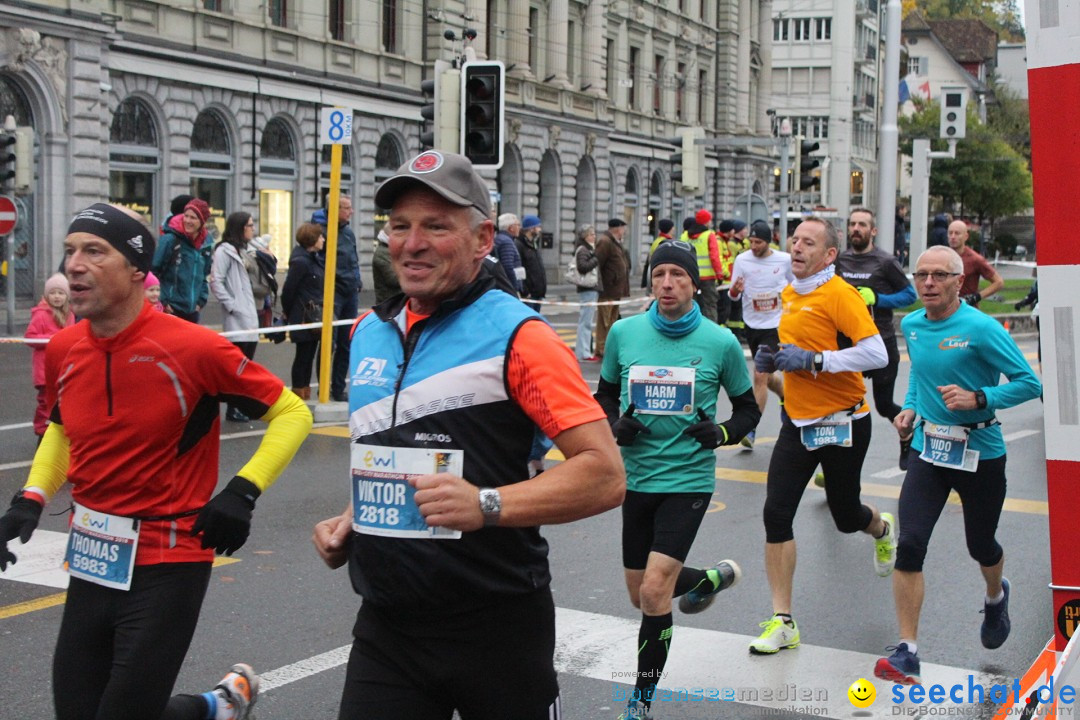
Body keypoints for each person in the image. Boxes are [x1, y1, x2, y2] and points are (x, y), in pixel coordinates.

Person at [311, 150, 625, 720]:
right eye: (400, 226)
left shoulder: (520, 335)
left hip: (497, 624)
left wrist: (486, 503)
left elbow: (603, 475)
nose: (412, 243)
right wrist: (360, 514)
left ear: (483, 238)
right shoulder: (368, 332)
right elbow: (405, 459)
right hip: (389, 628)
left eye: (435, 226)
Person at [0, 203, 312, 720]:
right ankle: (221, 705)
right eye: (71, 250)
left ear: (137, 271)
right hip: (93, 554)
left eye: (95, 252)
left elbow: (292, 411)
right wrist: (29, 499)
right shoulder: (64, 347)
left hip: (169, 560)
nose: (74, 264)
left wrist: (243, 490)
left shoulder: (191, 348)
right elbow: (61, 425)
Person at [595, 240, 759, 720]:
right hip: (636, 478)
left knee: (653, 592)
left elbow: (748, 408)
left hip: (688, 481)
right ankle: (708, 578)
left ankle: (640, 703)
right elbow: (602, 395)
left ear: (694, 283)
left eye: (678, 276)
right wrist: (613, 425)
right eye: (659, 274)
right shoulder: (625, 333)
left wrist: (722, 432)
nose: (667, 283)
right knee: (640, 593)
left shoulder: (719, 342)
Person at [873, 246, 1042, 685]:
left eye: (938, 276)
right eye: (921, 275)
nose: (927, 283)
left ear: (958, 280)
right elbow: (920, 381)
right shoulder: (911, 323)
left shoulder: (982, 328)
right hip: (931, 451)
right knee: (909, 545)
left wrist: (980, 398)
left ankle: (994, 595)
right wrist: (910, 409)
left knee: (981, 545)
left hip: (981, 451)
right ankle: (907, 651)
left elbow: (1030, 383)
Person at [749, 217, 897, 654]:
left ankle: (882, 528)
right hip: (797, 422)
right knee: (776, 515)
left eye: (808, 243)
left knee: (845, 514)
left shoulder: (840, 294)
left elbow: (876, 354)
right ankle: (783, 622)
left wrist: (815, 361)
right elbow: (798, 345)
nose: (796, 247)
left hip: (844, 421)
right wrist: (774, 358)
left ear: (829, 255)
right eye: (794, 240)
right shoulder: (791, 292)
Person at [835, 208, 918, 469]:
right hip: (848, 343)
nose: (856, 229)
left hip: (880, 341)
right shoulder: (840, 260)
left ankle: (908, 434)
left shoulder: (885, 261)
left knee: (883, 406)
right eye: (853, 224)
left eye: (862, 225)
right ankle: (836, 463)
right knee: (844, 405)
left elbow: (909, 296)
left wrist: (878, 299)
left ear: (873, 231)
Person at [727, 219, 794, 450]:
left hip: (775, 325)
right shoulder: (742, 260)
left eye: (758, 242)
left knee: (759, 375)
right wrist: (735, 290)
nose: (753, 246)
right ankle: (786, 397)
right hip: (752, 325)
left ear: (768, 242)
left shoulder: (784, 260)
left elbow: (798, 287)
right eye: (751, 242)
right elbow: (733, 294)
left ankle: (751, 429)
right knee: (766, 375)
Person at [211, 212, 261, 422]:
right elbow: (216, 281)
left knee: (247, 363)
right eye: (250, 225)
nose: (253, 228)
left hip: (249, 312)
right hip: (238, 315)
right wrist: (232, 306)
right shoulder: (224, 252)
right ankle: (234, 407)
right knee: (237, 365)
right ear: (240, 227)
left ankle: (240, 405)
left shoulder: (246, 250)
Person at [313, 195, 362, 402]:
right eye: (347, 208)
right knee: (328, 342)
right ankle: (323, 385)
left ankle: (339, 386)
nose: (351, 211)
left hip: (350, 292)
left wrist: (357, 280)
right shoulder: (320, 232)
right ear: (334, 210)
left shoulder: (348, 233)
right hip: (332, 292)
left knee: (345, 342)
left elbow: (354, 259)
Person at [24, 273, 75, 442]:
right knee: (46, 403)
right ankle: (42, 432)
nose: (57, 297)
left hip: (63, 367)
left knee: (62, 401)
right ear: (46, 295)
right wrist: (53, 339)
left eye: (61, 293)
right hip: (44, 370)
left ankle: (57, 430)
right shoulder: (41, 314)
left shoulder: (69, 314)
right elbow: (30, 337)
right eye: (53, 293)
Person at [280, 222, 326, 401]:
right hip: (304, 317)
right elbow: (288, 291)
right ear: (312, 240)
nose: (323, 239)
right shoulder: (301, 262)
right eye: (320, 236)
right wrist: (290, 313)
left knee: (308, 356)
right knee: (303, 357)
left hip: (312, 317)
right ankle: (298, 396)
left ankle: (304, 394)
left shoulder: (312, 258)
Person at [153, 198, 214, 323]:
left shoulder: (206, 243)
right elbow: (154, 272)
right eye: (186, 216)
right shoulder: (170, 240)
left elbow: (204, 275)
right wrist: (163, 301)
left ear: (202, 221)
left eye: (193, 218)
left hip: (193, 311)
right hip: (170, 309)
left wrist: (201, 301)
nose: (187, 221)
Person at [595, 218, 631, 358]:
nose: (625, 231)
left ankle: (608, 347)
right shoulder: (605, 242)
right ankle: (601, 347)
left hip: (616, 289)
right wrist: (605, 282)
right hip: (608, 289)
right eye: (623, 228)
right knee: (604, 321)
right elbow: (597, 263)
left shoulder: (616, 242)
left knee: (612, 321)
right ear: (618, 228)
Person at [948, 220, 1003, 306]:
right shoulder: (943, 256)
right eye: (950, 233)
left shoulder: (975, 259)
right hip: (945, 311)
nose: (953, 237)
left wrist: (976, 297)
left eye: (957, 233)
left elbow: (999, 282)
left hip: (967, 310)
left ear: (966, 236)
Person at [685, 210, 723, 323]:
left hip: (690, 276)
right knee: (710, 305)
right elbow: (714, 256)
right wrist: (719, 274)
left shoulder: (685, 235)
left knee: (689, 305)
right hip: (708, 278)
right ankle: (710, 331)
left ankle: (690, 327)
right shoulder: (709, 235)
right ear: (706, 222)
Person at [573, 224, 602, 362]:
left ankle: (584, 351)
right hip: (588, 288)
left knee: (586, 321)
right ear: (585, 236)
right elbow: (583, 267)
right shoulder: (584, 250)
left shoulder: (587, 249)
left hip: (590, 289)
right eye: (591, 234)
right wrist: (596, 259)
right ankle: (583, 352)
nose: (594, 237)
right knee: (585, 322)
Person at [516, 214, 547, 312]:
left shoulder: (534, 244)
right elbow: (518, 269)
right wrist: (524, 291)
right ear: (531, 228)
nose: (540, 229)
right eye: (538, 227)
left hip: (537, 293)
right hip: (529, 294)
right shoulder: (519, 245)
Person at [494, 213, 525, 294]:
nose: (520, 228)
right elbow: (508, 266)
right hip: (509, 288)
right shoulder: (506, 242)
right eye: (518, 225)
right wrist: (514, 288)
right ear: (511, 228)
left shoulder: (502, 239)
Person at [371, 228, 400, 304]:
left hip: (396, 302)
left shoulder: (394, 251)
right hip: (389, 304)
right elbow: (394, 279)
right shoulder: (382, 254)